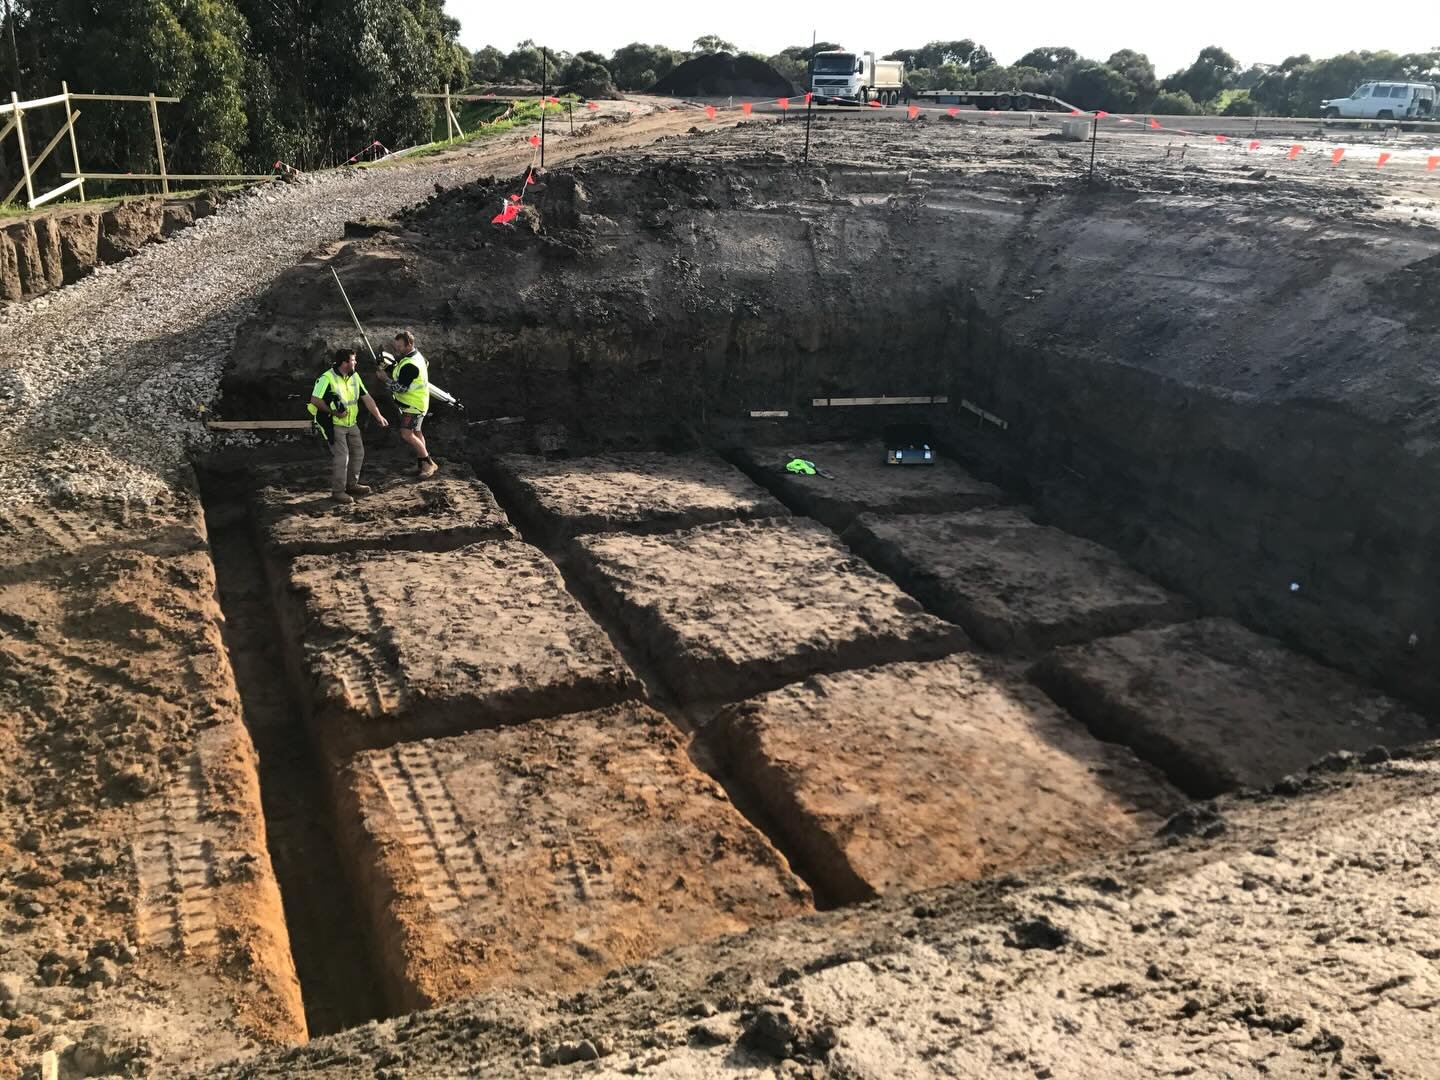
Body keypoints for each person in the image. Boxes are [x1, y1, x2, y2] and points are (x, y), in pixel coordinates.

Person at [309, 347, 388, 504]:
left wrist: (378, 416)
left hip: (351, 422)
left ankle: (351, 484)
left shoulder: (354, 376)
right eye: (353, 360)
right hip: (334, 423)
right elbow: (315, 400)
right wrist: (335, 413)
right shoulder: (326, 378)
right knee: (342, 457)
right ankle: (338, 492)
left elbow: (367, 398)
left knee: (358, 452)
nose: (355, 362)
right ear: (344, 362)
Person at [382, 330, 437, 478]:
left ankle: (428, 463)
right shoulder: (415, 357)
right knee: (417, 433)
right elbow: (401, 373)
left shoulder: (410, 364)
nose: (397, 349)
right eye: (396, 346)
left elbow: (401, 387)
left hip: (412, 405)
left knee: (407, 434)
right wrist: (387, 368)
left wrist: (385, 379)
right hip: (419, 402)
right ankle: (421, 464)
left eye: (400, 346)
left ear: (410, 344)